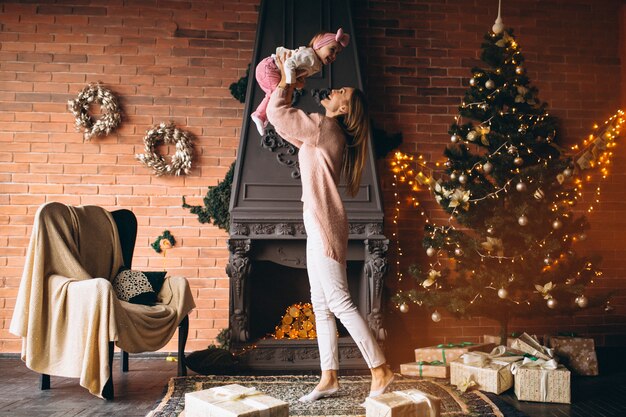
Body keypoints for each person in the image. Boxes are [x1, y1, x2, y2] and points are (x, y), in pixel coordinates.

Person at [266, 53, 395, 402]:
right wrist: (287, 87)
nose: (334, 89)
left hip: (324, 223)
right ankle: (329, 378)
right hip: (319, 220)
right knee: (320, 304)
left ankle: (380, 369)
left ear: (343, 109)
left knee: (337, 301)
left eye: (342, 92)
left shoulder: (326, 127)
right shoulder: (324, 132)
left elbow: (278, 115)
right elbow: (284, 126)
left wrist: (286, 82)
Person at [251, 28, 350, 136]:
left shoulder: (315, 62)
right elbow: (288, 64)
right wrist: (290, 83)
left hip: (270, 68)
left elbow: (296, 73)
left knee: (274, 94)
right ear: (319, 44)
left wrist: (298, 83)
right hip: (270, 67)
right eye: (332, 50)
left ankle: (263, 116)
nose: (334, 56)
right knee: (276, 94)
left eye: (337, 53)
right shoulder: (309, 56)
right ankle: (260, 116)